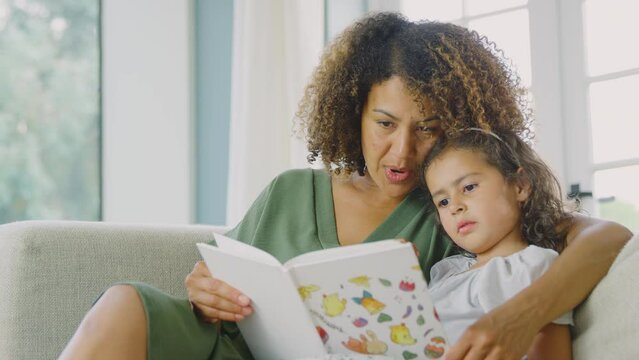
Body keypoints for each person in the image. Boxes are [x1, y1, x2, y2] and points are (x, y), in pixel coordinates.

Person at [59, 12, 632, 360]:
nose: (402, 151)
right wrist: (206, 293)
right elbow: (216, 283)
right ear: (353, 112)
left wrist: (519, 317)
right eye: (385, 124)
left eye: (428, 129)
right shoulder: (289, 191)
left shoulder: (457, 209)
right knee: (125, 303)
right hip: (227, 351)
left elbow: (605, 237)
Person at [422, 128, 574, 359]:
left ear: (520, 185)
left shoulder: (529, 267)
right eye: (443, 201)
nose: (455, 207)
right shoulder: (447, 271)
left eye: (469, 187)